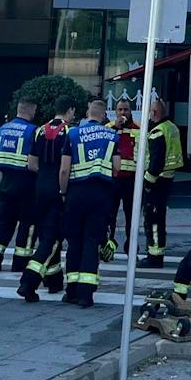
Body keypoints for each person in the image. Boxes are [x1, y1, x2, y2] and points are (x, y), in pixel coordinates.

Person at [17, 99, 77, 301]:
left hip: (39, 188)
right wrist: (63, 189)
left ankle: (54, 281)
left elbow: (31, 163)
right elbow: (66, 168)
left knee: (46, 234)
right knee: (52, 239)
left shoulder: (40, 131)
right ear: (69, 111)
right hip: (57, 189)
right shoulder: (70, 132)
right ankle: (28, 281)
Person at [62, 98, 119, 307]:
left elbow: (64, 169)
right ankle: (86, 294)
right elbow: (117, 166)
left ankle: (71, 291)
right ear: (104, 115)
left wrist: (63, 191)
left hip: (76, 193)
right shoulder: (112, 134)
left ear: (88, 113)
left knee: (74, 241)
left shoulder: (73, 133)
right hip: (101, 194)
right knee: (91, 241)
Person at [0, 99, 38, 272]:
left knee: (4, 221)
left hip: (5, 182)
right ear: (31, 111)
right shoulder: (32, 131)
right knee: (26, 223)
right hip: (26, 182)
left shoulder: (3, 128)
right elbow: (33, 159)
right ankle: (20, 263)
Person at [141, 96, 184, 268]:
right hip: (167, 179)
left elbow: (156, 163)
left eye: (150, 111)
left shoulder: (158, 132)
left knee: (153, 220)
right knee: (158, 219)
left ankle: (154, 256)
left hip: (157, 182)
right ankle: (156, 254)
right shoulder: (171, 127)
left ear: (154, 112)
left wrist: (147, 183)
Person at [107, 99, 140, 256]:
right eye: (119, 110)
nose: (122, 113)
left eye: (125, 110)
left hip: (131, 180)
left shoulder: (139, 128)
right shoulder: (108, 128)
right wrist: (115, 127)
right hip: (113, 179)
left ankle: (131, 246)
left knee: (131, 215)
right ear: (115, 111)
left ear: (130, 111)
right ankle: (108, 245)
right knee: (109, 215)